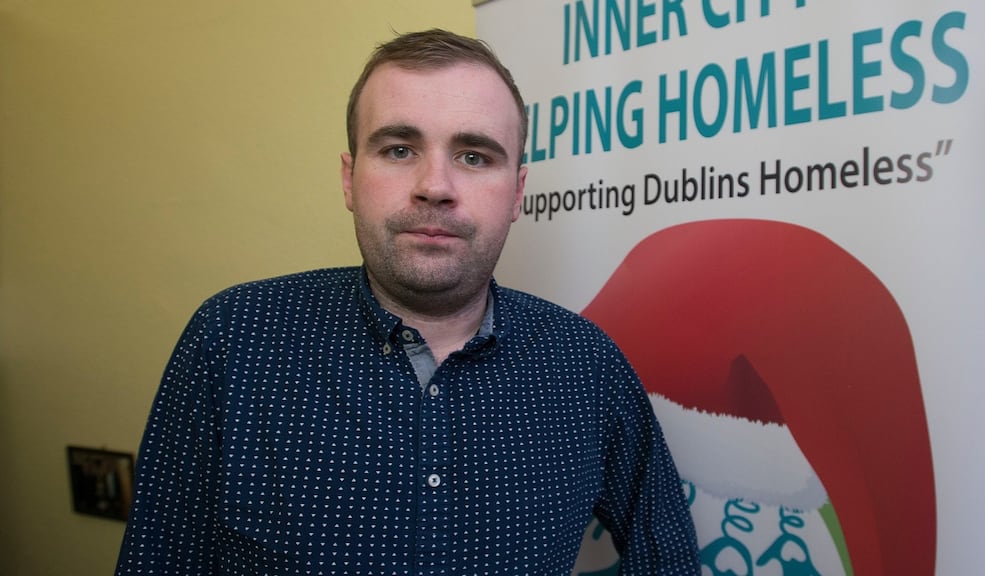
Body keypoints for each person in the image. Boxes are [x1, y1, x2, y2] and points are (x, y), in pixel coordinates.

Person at [115, 29, 701, 575]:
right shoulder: (232, 341)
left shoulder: (585, 365)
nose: (435, 185)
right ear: (349, 179)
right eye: (399, 149)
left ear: (518, 192)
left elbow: (668, 557)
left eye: (474, 156)